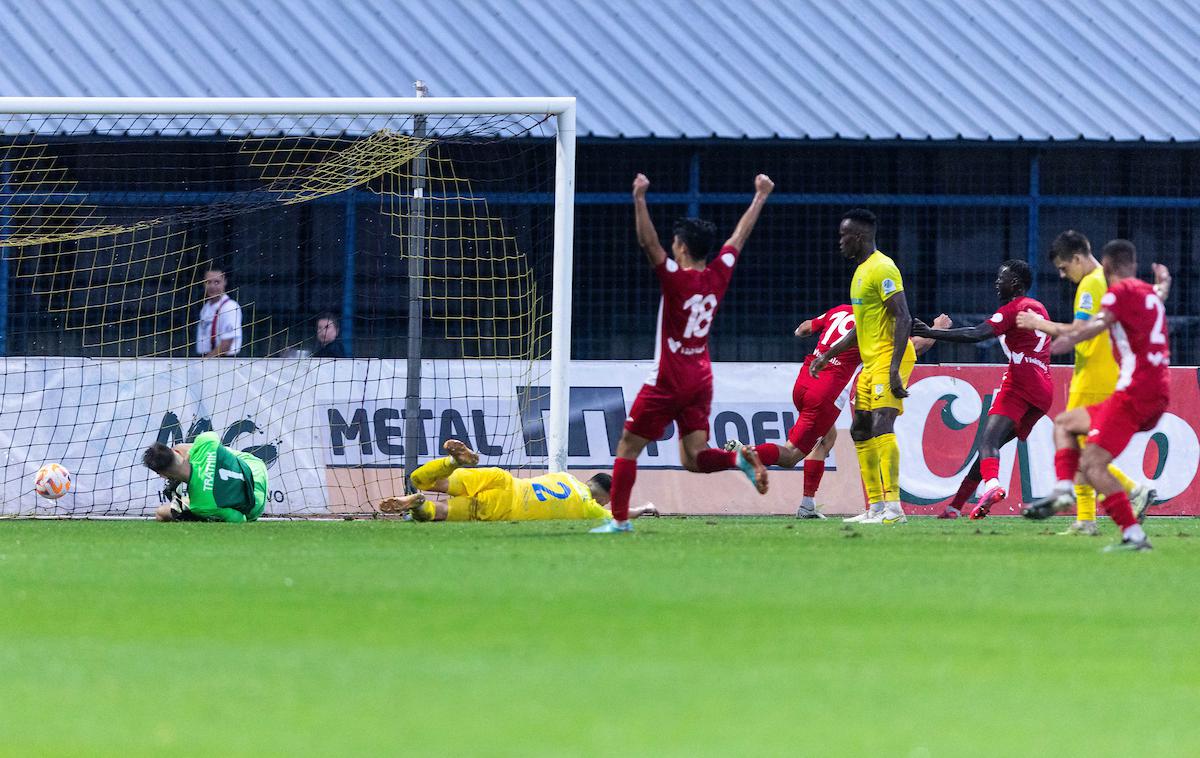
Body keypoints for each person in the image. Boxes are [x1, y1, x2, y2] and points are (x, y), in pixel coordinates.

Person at [591, 172, 774, 535]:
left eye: (675, 243)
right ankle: (737, 458)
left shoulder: (676, 279)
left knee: (627, 446)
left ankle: (620, 521)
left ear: (683, 248)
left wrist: (639, 198)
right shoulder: (718, 274)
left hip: (667, 379)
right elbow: (739, 237)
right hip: (700, 376)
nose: (671, 246)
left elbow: (647, 243)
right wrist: (760, 197)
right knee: (693, 459)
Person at [720, 308, 949, 518]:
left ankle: (807, 505)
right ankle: (747, 453)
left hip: (804, 382)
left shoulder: (840, 311)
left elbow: (804, 328)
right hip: (825, 393)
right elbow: (916, 345)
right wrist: (938, 328)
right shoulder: (873, 324)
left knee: (827, 439)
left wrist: (803, 332)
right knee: (790, 455)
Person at [1020, 240, 1169, 552]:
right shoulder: (1147, 293)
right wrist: (1164, 284)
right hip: (1155, 392)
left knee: (1093, 465)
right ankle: (1064, 490)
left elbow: (1091, 326)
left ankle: (1133, 535)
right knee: (1064, 424)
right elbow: (1158, 295)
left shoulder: (1119, 291)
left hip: (1134, 392)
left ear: (1108, 266)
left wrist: (1064, 337)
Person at [912, 260, 1052, 519]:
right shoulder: (1039, 308)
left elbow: (976, 334)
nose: (997, 282)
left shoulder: (1014, 309)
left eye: (1002, 278)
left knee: (987, 442)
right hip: (1044, 388)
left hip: (1021, 381)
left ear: (1016, 284)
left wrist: (933, 332)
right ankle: (955, 507)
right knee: (990, 451)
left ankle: (993, 487)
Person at [809, 209, 914, 525]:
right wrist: (828, 354)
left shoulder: (883, 268)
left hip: (890, 357)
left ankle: (894, 509)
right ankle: (876, 507)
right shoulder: (860, 273)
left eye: (844, 236)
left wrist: (894, 369)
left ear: (859, 237)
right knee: (859, 430)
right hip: (871, 361)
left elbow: (903, 317)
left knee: (883, 425)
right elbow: (860, 328)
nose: (840, 242)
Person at [378, 440, 658, 522]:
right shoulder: (589, 507)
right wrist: (643, 508)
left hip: (503, 480)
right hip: (504, 508)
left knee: (421, 478)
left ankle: (451, 463)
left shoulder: (566, 477)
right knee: (437, 513)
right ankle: (418, 506)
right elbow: (616, 516)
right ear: (605, 498)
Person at [142, 431, 268, 522]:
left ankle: (182, 505)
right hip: (256, 467)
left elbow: (241, 519)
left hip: (256, 504)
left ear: (163, 475)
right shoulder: (206, 440)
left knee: (161, 513)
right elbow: (192, 447)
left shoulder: (201, 506)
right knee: (219, 451)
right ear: (175, 451)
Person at [195, 268, 243, 358]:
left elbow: (226, 345)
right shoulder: (206, 307)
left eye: (217, 282)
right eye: (208, 282)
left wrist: (204, 362)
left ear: (224, 282)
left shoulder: (230, 307)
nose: (212, 286)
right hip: (208, 358)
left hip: (222, 361)